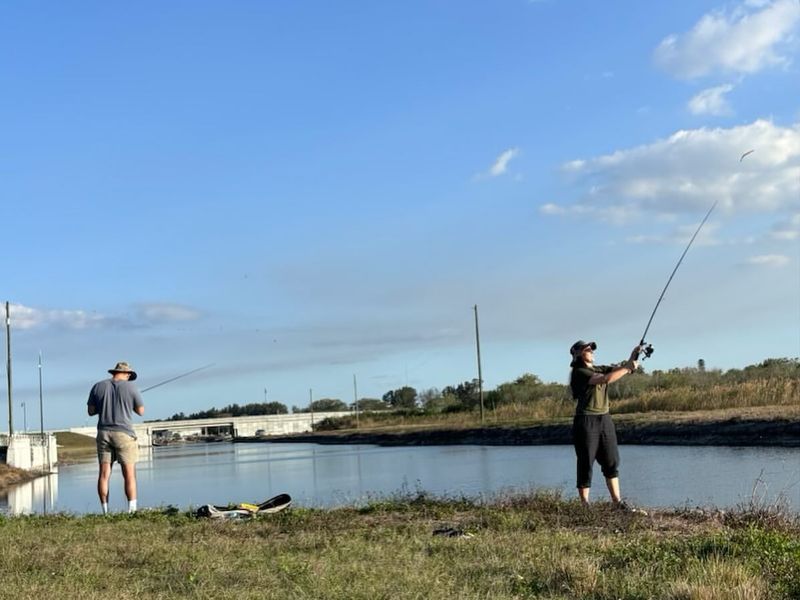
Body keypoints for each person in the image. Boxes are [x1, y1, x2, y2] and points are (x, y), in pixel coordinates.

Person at [569, 340, 645, 513]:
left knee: (612, 461)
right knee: (586, 462)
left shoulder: (599, 367)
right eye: (587, 349)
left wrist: (633, 356)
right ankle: (585, 506)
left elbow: (618, 369)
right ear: (578, 354)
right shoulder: (579, 372)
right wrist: (627, 368)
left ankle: (617, 503)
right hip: (586, 420)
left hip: (605, 419)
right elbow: (605, 379)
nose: (591, 350)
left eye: (591, 348)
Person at [87, 361, 145, 514]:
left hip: (103, 433)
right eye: (129, 376)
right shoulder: (131, 387)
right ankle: (132, 511)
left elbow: (91, 411)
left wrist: (103, 405)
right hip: (124, 433)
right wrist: (129, 404)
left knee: (104, 474)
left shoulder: (98, 386)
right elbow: (141, 411)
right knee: (129, 474)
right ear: (127, 374)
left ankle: (105, 511)